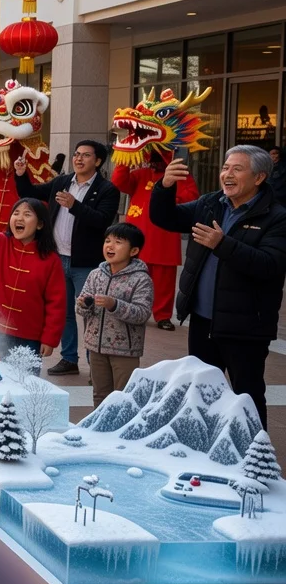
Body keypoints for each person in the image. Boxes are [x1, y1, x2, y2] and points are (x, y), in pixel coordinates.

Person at [150, 147, 286, 423]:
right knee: (200, 392)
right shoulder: (211, 203)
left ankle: (253, 456)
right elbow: (165, 219)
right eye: (225, 167)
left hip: (246, 326)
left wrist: (221, 244)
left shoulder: (276, 216)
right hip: (203, 321)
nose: (227, 174)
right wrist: (164, 187)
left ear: (259, 177)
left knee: (247, 395)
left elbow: (270, 265)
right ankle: (206, 453)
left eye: (237, 168)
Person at [14, 140, 120, 376]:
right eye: (76, 154)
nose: (79, 159)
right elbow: (30, 193)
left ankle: (96, 366)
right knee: (63, 312)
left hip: (87, 263)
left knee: (90, 313)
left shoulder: (107, 190)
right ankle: (69, 358)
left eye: (85, 155)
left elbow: (102, 220)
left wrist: (74, 205)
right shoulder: (63, 182)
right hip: (56, 258)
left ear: (98, 161)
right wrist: (21, 175)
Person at [0, 183, 64, 356]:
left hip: (30, 334)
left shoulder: (50, 260)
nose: (19, 218)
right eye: (15, 213)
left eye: (27, 214)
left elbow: (56, 303)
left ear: (40, 224)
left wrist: (49, 339)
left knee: (23, 379)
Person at [111, 156, 199, 330]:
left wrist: (168, 190)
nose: (154, 157)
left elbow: (191, 197)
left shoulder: (179, 174)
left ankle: (162, 316)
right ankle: (131, 310)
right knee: (132, 275)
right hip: (137, 235)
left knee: (163, 279)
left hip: (164, 235)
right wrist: (125, 157)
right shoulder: (140, 173)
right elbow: (119, 182)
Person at [76, 223, 154, 407]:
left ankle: (119, 434)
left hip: (124, 351)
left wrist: (114, 304)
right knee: (99, 395)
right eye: (107, 241)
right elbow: (80, 310)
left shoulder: (141, 279)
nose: (110, 246)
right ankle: (97, 433)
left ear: (134, 250)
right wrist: (83, 304)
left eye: (118, 242)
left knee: (123, 399)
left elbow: (142, 313)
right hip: (95, 347)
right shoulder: (95, 274)